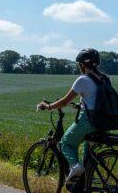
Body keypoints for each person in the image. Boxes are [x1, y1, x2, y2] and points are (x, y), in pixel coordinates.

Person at [37, 48, 103, 182]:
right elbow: (97, 100)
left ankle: (75, 167)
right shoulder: (105, 79)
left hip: (88, 121)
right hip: (104, 122)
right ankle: (88, 180)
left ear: (83, 65)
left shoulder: (83, 80)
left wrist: (49, 106)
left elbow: (65, 101)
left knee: (65, 143)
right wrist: (81, 105)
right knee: (88, 150)